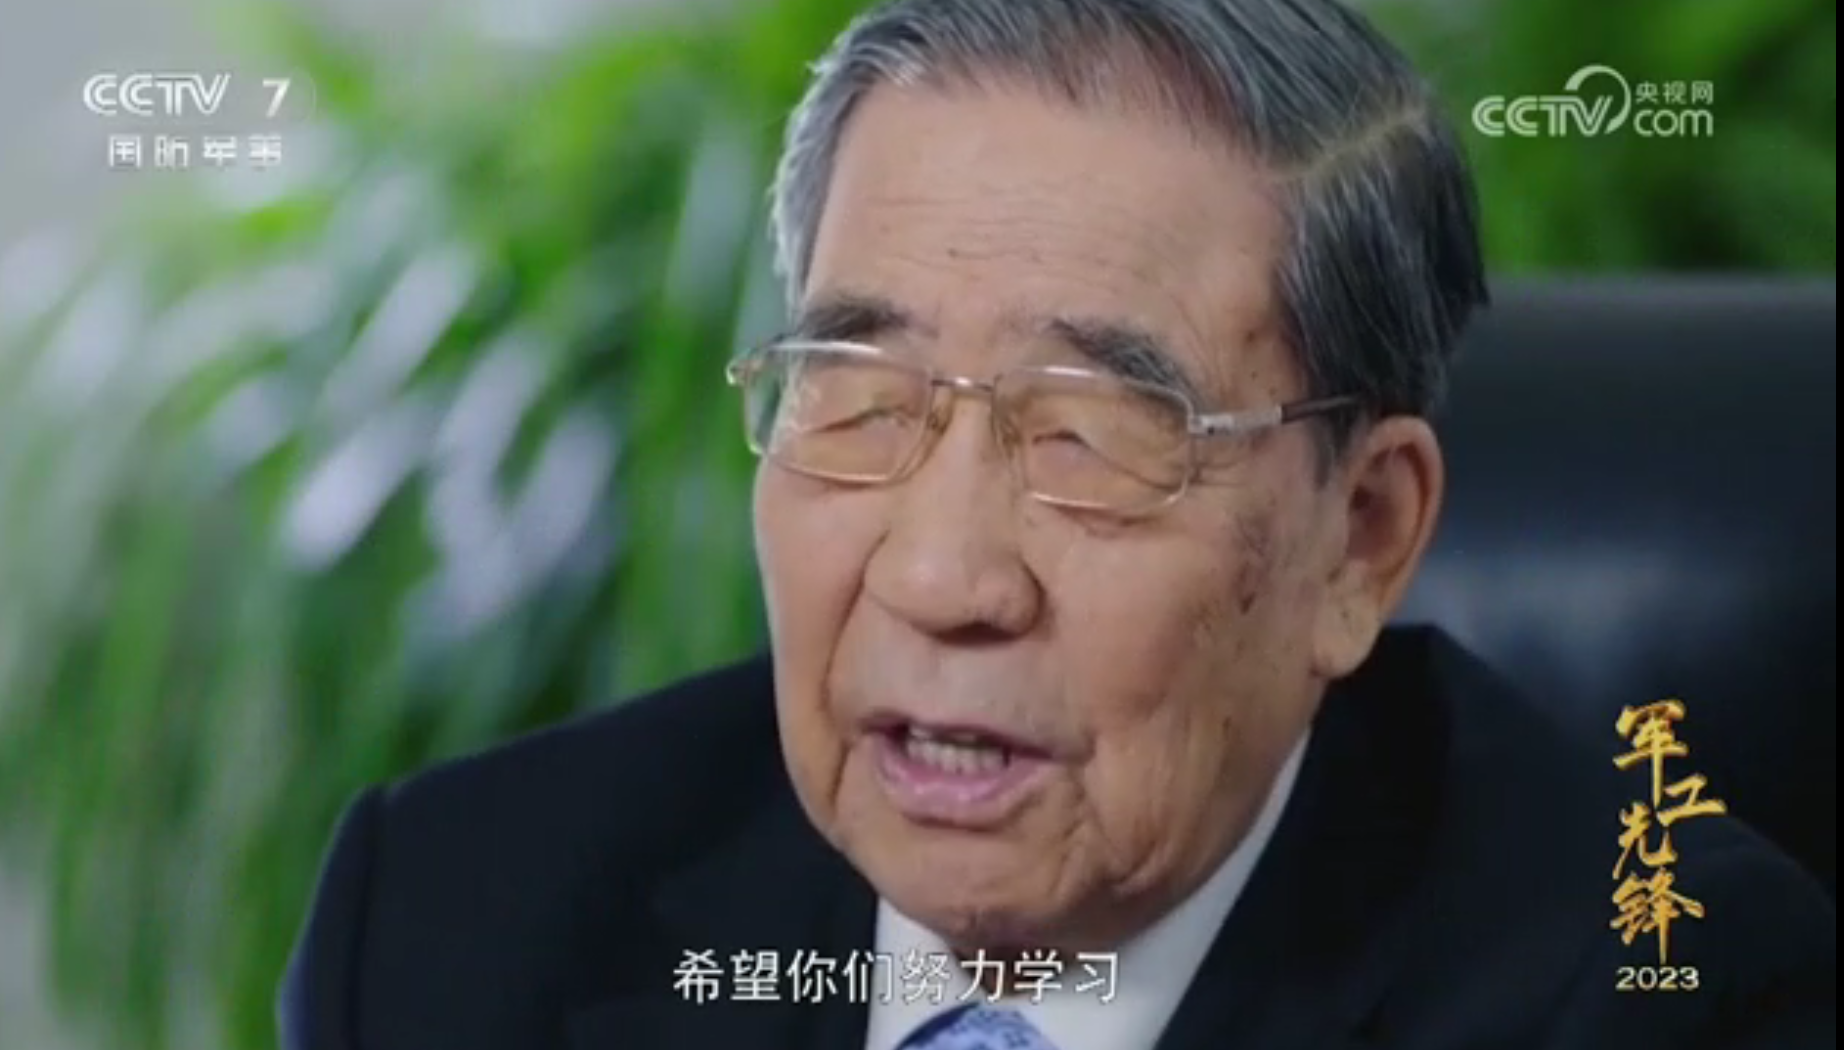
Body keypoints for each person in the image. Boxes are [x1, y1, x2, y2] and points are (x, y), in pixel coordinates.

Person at [278, 0, 1836, 1047]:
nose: (942, 575)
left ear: (1360, 537)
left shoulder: (1666, 993)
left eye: (1092, 435)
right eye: (862, 398)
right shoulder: (450, 920)